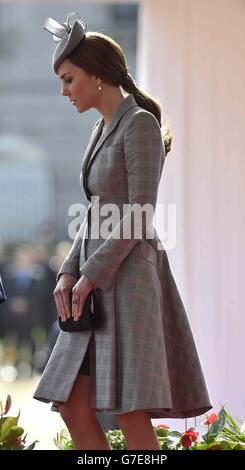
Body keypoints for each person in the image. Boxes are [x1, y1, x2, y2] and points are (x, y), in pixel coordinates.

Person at [34, 12, 212, 450]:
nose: (64, 91)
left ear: (97, 76)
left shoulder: (140, 124)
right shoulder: (100, 128)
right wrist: (68, 271)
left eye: (69, 79)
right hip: (95, 281)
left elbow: (139, 211)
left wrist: (91, 272)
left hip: (130, 281)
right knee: (74, 406)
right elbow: (95, 212)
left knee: (131, 410)